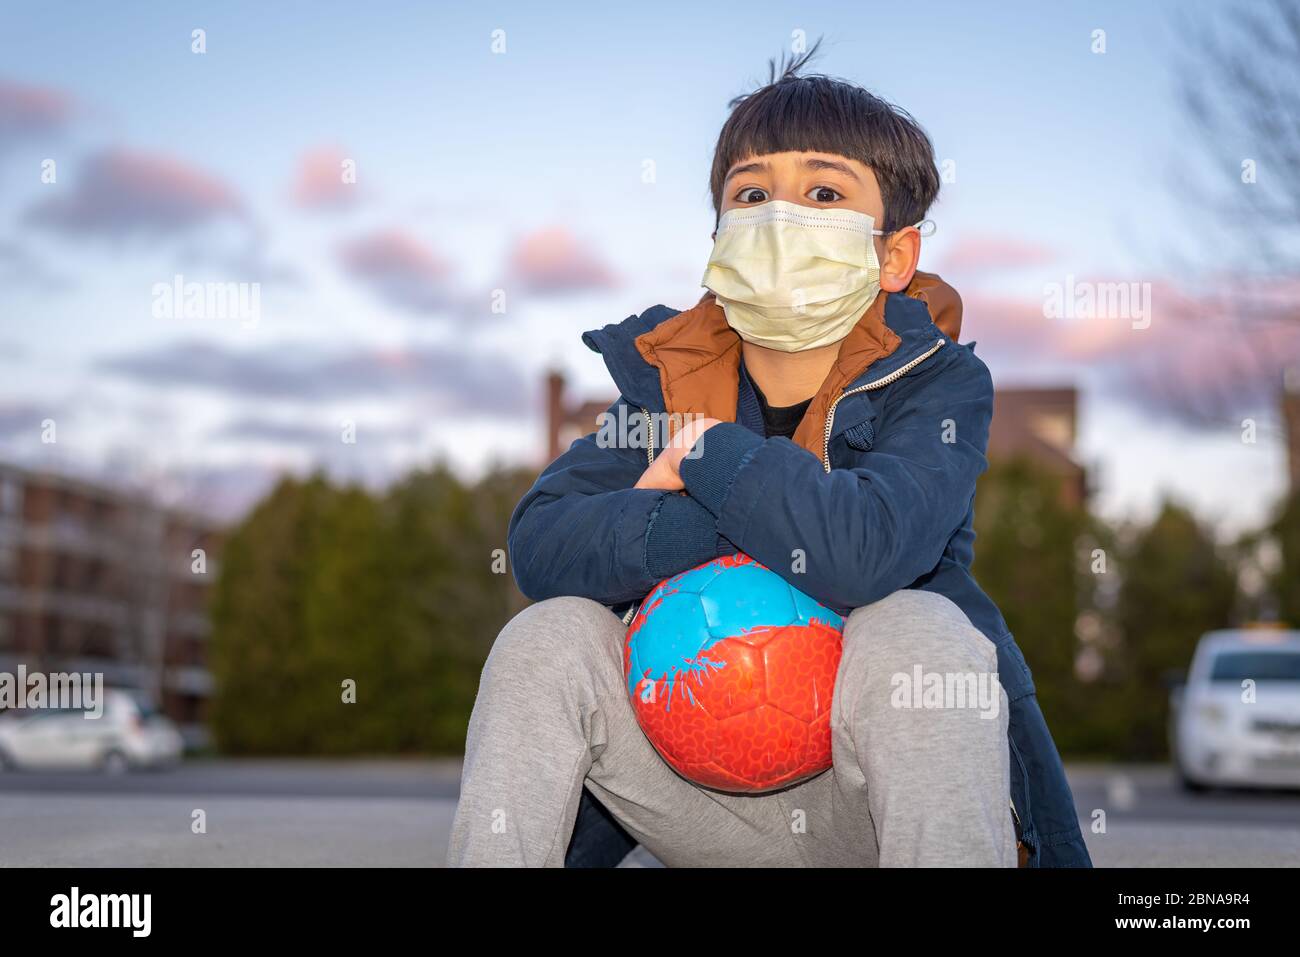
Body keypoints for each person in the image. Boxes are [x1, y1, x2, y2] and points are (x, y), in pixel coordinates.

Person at [448, 45, 1091, 868]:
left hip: (869, 808)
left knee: (919, 627)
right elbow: (541, 543)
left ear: (895, 254)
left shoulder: (939, 385)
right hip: (700, 793)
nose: (780, 219)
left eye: (823, 193)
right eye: (752, 194)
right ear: (719, 237)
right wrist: (700, 517)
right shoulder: (662, 382)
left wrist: (706, 456)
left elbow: (867, 551)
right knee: (549, 636)